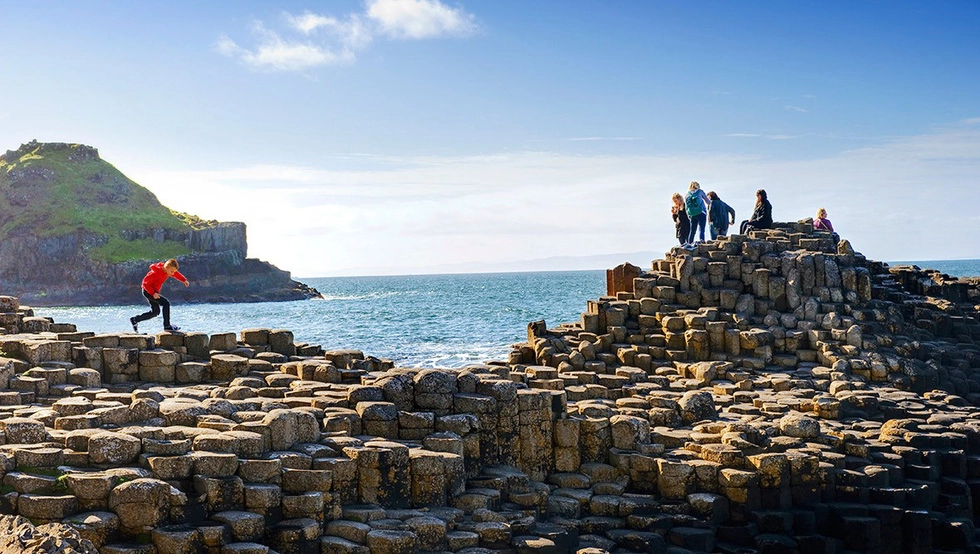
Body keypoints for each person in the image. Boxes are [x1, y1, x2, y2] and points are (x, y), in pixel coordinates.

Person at [130, 258, 189, 332]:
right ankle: (167, 326)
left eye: (173, 272)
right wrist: (153, 293)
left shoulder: (167, 270)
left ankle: (135, 319)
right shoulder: (156, 272)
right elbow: (145, 284)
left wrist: (184, 280)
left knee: (155, 312)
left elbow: (176, 274)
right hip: (148, 291)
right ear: (166, 267)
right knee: (166, 303)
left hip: (153, 292)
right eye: (171, 271)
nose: (172, 274)